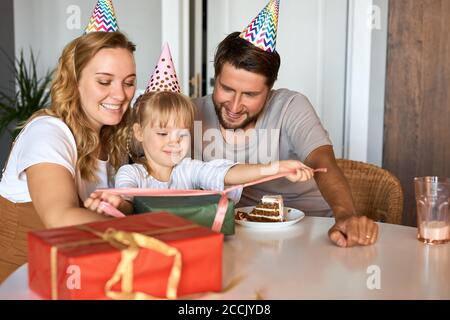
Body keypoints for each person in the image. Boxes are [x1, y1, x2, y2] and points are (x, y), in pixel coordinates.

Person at [193, 26, 379, 246]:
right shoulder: (191, 113)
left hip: (310, 230)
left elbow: (323, 161)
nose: (234, 106)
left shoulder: (291, 106)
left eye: (250, 94)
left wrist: (346, 215)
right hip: (237, 235)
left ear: (269, 90)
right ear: (216, 78)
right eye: (227, 89)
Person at [0, 31, 137, 282]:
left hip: (72, 279)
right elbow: (60, 218)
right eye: (104, 82)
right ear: (75, 81)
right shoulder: (48, 131)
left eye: (128, 82)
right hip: (18, 283)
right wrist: (147, 233)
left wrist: (123, 205)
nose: (120, 95)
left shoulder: (111, 139)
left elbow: (120, 204)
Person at [84, 91, 315, 215]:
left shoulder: (188, 169)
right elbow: (127, 202)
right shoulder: (132, 174)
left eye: (182, 134)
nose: (174, 143)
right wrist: (116, 203)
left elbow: (225, 174)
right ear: (139, 132)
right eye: (163, 134)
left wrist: (277, 167)